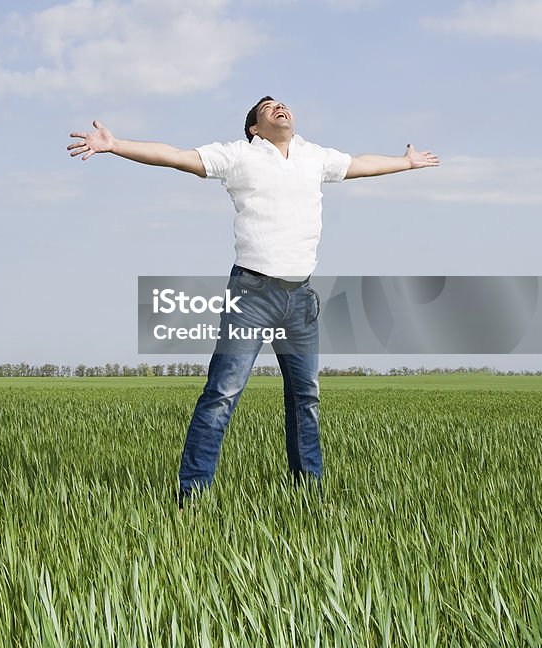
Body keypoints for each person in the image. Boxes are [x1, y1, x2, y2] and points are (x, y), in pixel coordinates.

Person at [67, 97, 439, 507]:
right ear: (254, 128)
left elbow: (359, 164)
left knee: (306, 398)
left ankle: (308, 496)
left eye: (282, 103)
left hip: (300, 299)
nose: (279, 107)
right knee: (223, 393)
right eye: (267, 107)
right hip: (252, 295)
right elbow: (175, 156)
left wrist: (405, 163)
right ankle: (192, 498)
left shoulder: (312, 156)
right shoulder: (239, 156)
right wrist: (115, 144)